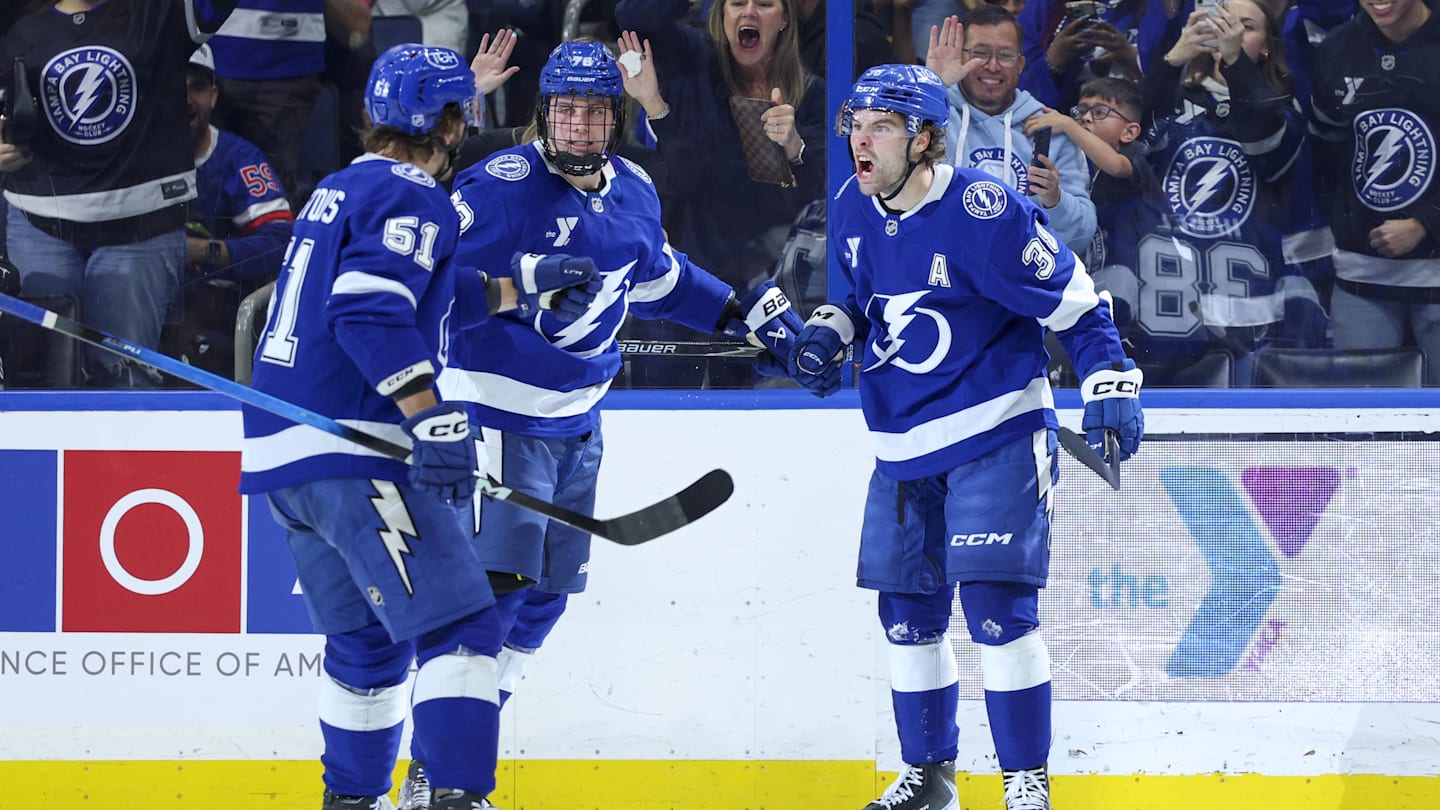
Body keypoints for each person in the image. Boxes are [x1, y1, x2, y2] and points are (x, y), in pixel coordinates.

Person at [397, 40, 804, 808]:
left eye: (592, 111)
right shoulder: (500, 188)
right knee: (493, 601)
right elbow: (430, 283)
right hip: (497, 419)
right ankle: (448, 780)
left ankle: (435, 757)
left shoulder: (636, 191)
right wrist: (515, 286)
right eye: (564, 110)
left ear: (614, 118)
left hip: (579, 427)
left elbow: (663, 278)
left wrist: (742, 312)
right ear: (544, 114)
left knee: (545, 599)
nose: (578, 126)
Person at [239, 43, 599, 810]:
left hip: (288, 461)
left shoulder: (342, 188)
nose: (465, 124)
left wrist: (519, 286)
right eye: (460, 110)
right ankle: (458, 798)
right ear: (443, 121)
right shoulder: (414, 194)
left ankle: (354, 801)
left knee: (367, 648)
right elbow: (370, 309)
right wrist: (427, 417)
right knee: (466, 625)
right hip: (355, 454)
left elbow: (423, 292)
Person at [781, 63, 1143, 810]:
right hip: (902, 449)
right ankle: (931, 779)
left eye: (881, 126)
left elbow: (1076, 301)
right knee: (907, 619)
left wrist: (1109, 380)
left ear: (925, 140)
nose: (862, 139)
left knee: (995, 611)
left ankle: (1025, 786)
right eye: (856, 124)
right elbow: (856, 304)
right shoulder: (852, 202)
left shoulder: (983, 210)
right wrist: (827, 335)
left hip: (996, 431)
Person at [0, 0, 239, 388]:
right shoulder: (21, 33)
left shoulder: (162, 13)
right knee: (40, 377)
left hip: (141, 227)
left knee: (122, 379)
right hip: (40, 222)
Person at [614, 0, 827, 387]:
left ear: (784, 19)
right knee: (664, 420)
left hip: (762, 285)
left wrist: (796, 148)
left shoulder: (811, 94)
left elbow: (821, 192)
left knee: (752, 428)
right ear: (721, 15)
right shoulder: (693, 59)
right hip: (679, 280)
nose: (748, 12)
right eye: (736, 3)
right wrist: (656, 106)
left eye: (764, 3)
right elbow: (633, 14)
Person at [1138, 0, 1328, 381]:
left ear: (1268, 44)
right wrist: (1174, 57)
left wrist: (1236, 61)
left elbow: (1264, 138)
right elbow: (1134, 129)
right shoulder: (1176, 101)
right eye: (1223, 23)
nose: (1232, 34)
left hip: (1253, 303)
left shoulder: (1284, 108)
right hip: (1169, 300)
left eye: (1246, 27)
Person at [1311, 0, 1440, 383]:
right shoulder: (1337, 49)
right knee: (1364, 430)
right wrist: (1343, 227)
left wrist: (1426, 223)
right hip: (1361, 276)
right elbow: (1324, 154)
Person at [925, 6, 1098, 252]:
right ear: (960, 57)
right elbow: (891, 182)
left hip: (1019, 282)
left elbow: (1083, 237)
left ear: (1020, 64)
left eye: (1005, 55)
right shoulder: (933, 116)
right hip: (940, 275)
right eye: (980, 53)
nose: (992, 66)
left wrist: (1055, 201)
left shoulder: (1050, 129)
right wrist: (932, 89)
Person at [174, 42, 294, 379]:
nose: (186, 100)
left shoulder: (240, 158)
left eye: (196, 88)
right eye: (173, 88)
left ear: (213, 96)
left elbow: (282, 243)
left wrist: (203, 250)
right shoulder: (130, 157)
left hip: (217, 311)